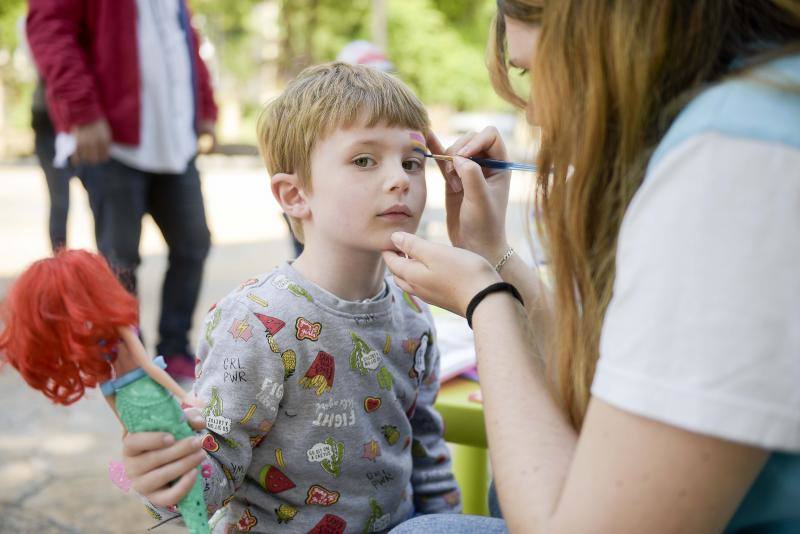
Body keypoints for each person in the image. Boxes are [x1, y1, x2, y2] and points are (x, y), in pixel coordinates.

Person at [384, 1, 800, 533]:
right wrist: (493, 256)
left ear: (600, 35)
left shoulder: (734, 166)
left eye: (533, 72)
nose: (535, 114)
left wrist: (485, 302)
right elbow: (625, 373)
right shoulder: (760, 109)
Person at [119, 62, 460, 532]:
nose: (400, 179)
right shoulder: (258, 322)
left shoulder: (415, 310)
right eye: (364, 160)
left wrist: (449, 520)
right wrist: (165, 475)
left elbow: (423, 443)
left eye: (413, 162)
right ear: (295, 194)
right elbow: (210, 479)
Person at [26, 0, 218, 381]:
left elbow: (183, 38)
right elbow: (50, 30)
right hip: (113, 140)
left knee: (194, 243)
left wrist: (206, 108)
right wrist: (81, 110)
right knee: (120, 259)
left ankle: (174, 347)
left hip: (173, 141)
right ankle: (132, 360)